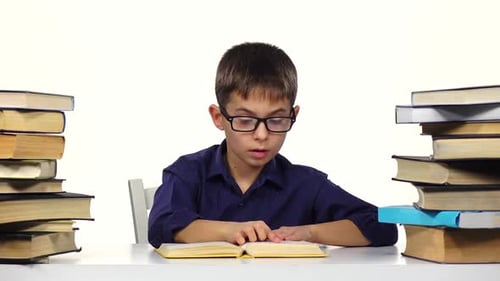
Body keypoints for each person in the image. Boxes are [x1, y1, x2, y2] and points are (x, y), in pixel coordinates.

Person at [148, 42, 398, 248]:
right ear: (218, 117)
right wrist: (228, 231)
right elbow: (161, 225)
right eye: (245, 120)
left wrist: (309, 233)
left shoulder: (306, 184)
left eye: (276, 120)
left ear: (293, 115)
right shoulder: (188, 173)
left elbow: (381, 226)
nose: (261, 134)